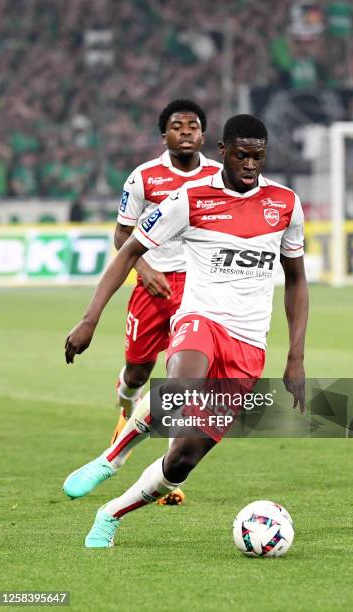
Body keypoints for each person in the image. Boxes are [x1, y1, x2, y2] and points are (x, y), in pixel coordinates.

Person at [64, 114, 309, 548]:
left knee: (183, 459)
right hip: (201, 319)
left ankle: (111, 513)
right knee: (180, 385)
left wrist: (296, 357)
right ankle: (111, 458)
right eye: (241, 155)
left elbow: (296, 280)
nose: (250, 164)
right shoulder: (189, 198)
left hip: (249, 343)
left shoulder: (285, 204)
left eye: (258, 156)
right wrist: (90, 319)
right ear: (222, 152)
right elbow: (128, 250)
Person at [63, 99, 221, 505]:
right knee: (137, 371)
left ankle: (167, 472)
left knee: (182, 380)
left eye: (193, 126)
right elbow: (123, 235)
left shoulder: (219, 177)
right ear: (163, 135)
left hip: (197, 286)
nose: (185, 131)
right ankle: (125, 400)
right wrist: (145, 269)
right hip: (152, 287)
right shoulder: (143, 178)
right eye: (176, 126)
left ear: (203, 134)